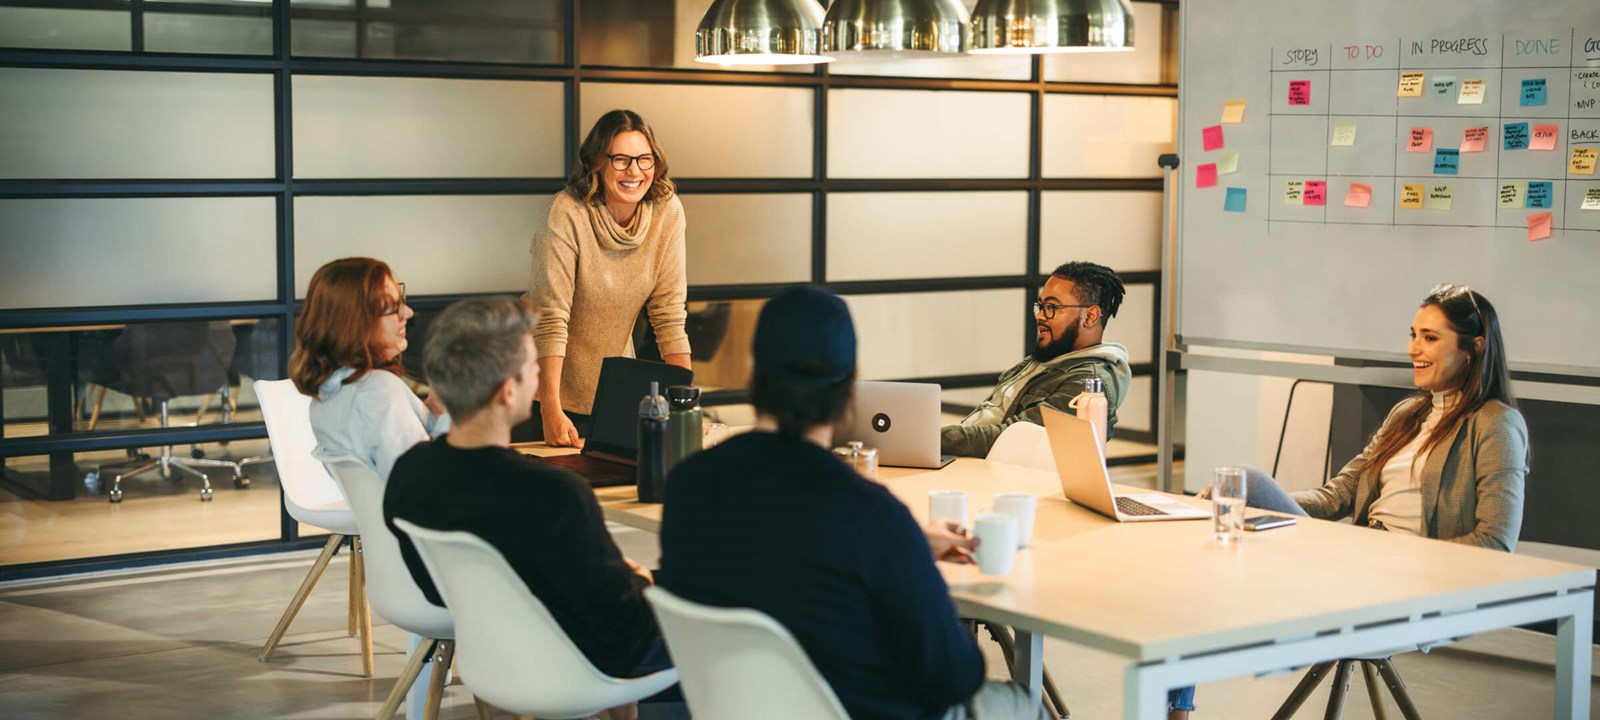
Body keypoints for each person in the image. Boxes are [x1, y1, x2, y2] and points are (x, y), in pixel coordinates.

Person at [658, 285, 1049, 720]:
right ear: (851, 383)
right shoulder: (869, 513)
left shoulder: (688, 484)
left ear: (752, 370)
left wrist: (904, 544)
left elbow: (780, 537)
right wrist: (907, 551)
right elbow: (954, 675)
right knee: (1020, 704)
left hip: (733, 708)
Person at [384, 297, 675, 720]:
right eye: (532, 364)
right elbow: (627, 634)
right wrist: (642, 583)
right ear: (507, 390)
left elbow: (435, 590)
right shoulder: (554, 493)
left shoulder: (410, 474)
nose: (539, 372)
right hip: (582, 665)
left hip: (495, 661)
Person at [1227, 283, 1528, 550]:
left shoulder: (1496, 424)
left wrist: (1405, 556)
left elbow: (1495, 541)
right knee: (1245, 482)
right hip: (1364, 548)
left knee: (1249, 484)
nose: (1413, 349)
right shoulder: (1406, 413)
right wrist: (1255, 499)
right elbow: (1337, 496)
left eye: (1430, 338)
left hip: (1406, 563)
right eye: (1413, 336)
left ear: (1472, 348)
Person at [527, 109, 691, 446]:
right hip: (541, 392)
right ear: (597, 163)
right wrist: (550, 410)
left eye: (645, 159)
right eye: (621, 159)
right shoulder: (567, 212)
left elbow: (669, 315)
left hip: (610, 391)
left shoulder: (667, 211)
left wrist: (685, 406)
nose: (635, 171)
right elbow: (551, 318)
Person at [942, 261, 1133, 458]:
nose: (1040, 316)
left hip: (995, 471)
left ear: (1091, 316)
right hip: (966, 459)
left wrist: (937, 438)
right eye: (1041, 306)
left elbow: (1011, 437)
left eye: (1051, 307)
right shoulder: (1046, 361)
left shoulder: (1087, 384)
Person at [290, 257, 447, 481]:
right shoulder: (378, 390)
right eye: (393, 308)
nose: (408, 313)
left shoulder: (331, 394)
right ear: (356, 323)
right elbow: (422, 483)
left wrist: (435, 409)